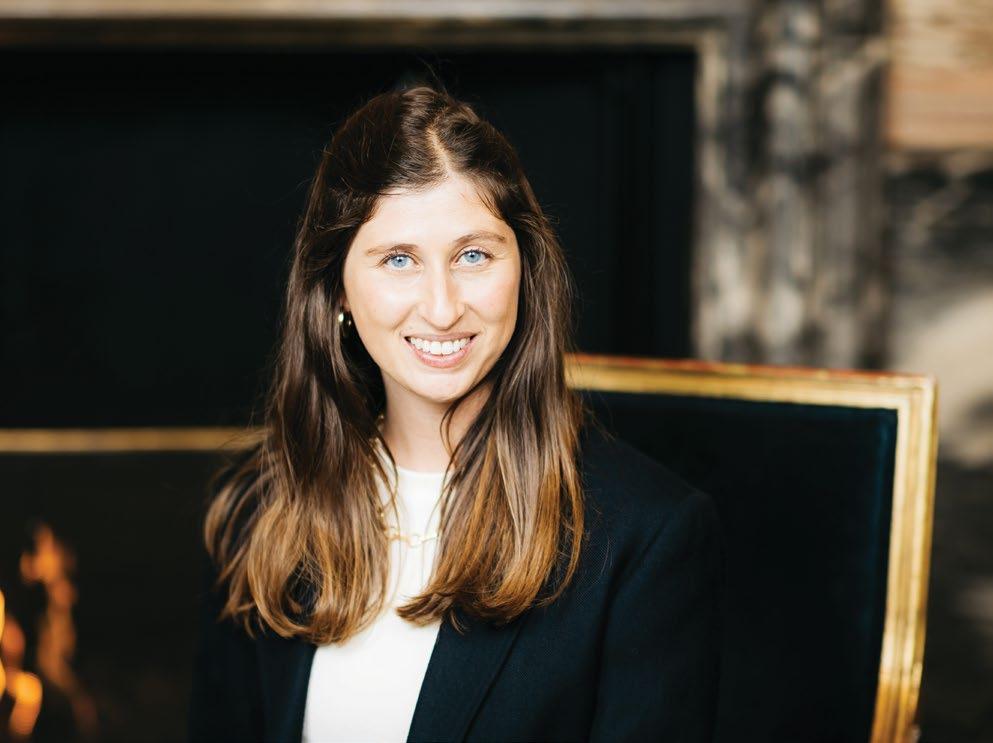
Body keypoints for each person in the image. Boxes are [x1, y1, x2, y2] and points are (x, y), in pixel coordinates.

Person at [187, 82, 724, 743]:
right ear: (336, 289)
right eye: (398, 259)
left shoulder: (647, 540)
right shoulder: (257, 512)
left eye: (473, 255)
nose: (441, 308)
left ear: (523, 270)